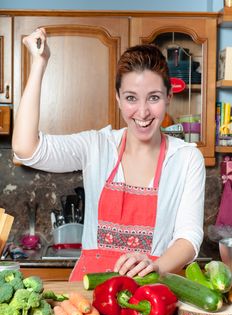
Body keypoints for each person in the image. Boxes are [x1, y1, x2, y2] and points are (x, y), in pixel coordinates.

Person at [12, 28, 206, 281]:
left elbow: (188, 237)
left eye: (154, 98)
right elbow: (26, 149)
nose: (143, 111)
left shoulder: (186, 159)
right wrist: (39, 63)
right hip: (90, 292)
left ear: (169, 97)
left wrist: (156, 267)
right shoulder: (97, 146)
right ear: (117, 98)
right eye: (131, 98)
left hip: (151, 290)